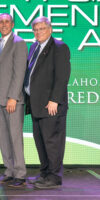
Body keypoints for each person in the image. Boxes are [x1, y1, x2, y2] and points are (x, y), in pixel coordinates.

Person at [24, 16, 71, 189]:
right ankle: (45, 173)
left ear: (50, 29)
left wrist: (55, 100)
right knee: (41, 142)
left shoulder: (59, 47)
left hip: (51, 106)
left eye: (42, 29)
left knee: (53, 143)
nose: (38, 32)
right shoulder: (35, 47)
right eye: (35, 29)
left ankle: (54, 177)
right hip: (36, 105)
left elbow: (62, 76)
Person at [0, 13, 27, 187]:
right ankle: (9, 171)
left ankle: (20, 173)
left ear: (12, 24)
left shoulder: (19, 43)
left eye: (7, 22)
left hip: (12, 100)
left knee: (14, 137)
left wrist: (13, 96)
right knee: (3, 137)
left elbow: (20, 72)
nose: (4, 24)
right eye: (1, 22)